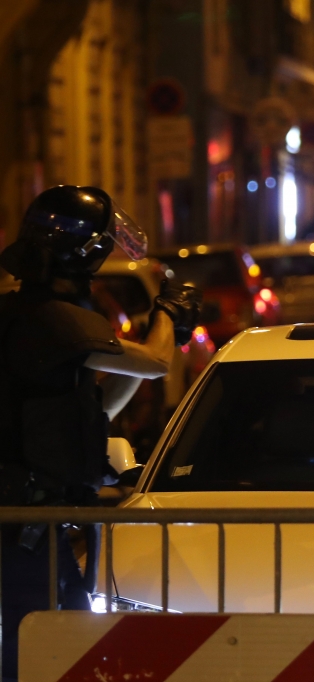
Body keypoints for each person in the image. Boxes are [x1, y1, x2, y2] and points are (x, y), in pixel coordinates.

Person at [0, 185, 201, 680]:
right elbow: (153, 363)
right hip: (25, 529)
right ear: (85, 254)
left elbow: (97, 408)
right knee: (44, 649)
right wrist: (168, 316)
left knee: (50, 641)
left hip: (36, 525)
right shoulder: (54, 322)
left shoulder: (26, 317)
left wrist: (158, 346)